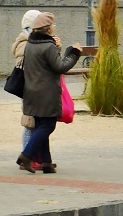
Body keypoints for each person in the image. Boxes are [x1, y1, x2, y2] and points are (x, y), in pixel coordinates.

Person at [17, 12, 82, 174]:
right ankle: (26, 156)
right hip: (46, 94)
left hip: (31, 92)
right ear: (47, 29)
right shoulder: (48, 46)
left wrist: (59, 49)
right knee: (48, 125)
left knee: (41, 125)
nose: (54, 27)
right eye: (52, 26)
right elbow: (60, 67)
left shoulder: (31, 44)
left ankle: (46, 163)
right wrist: (74, 53)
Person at [11, 9, 42, 169]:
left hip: (32, 85)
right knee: (29, 121)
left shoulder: (28, 41)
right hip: (29, 86)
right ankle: (26, 157)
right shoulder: (25, 43)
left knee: (35, 121)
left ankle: (34, 156)